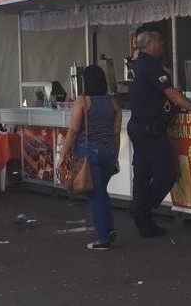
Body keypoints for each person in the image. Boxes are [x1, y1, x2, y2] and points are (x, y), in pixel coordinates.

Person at [127, 23, 191, 238]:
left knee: (142, 174)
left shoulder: (135, 65)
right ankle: (143, 210)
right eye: (159, 40)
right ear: (148, 43)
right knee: (167, 173)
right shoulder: (152, 67)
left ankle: (144, 219)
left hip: (138, 126)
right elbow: (172, 94)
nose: (163, 44)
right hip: (151, 129)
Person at [58, 65, 122, 250]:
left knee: (95, 195)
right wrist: (115, 156)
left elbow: (74, 130)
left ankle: (103, 238)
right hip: (109, 152)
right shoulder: (114, 102)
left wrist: (63, 155)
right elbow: (116, 133)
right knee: (101, 192)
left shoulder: (83, 101)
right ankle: (108, 229)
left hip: (88, 154)